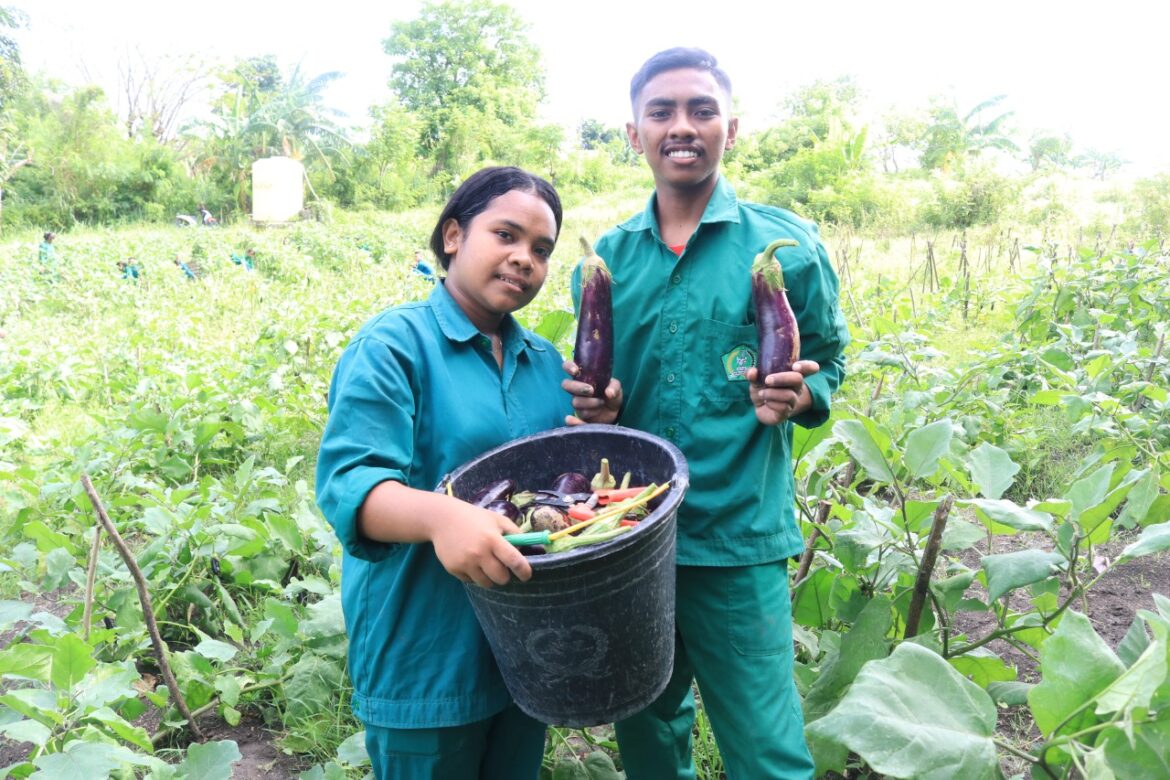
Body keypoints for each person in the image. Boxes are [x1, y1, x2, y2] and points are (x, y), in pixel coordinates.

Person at [562, 47, 849, 779]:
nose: (681, 126)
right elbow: (599, 393)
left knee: (767, 751)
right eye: (661, 112)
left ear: (732, 128)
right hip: (627, 544)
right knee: (649, 741)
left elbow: (832, 361)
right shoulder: (605, 265)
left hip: (736, 542)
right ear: (634, 134)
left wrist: (804, 394)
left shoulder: (784, 251)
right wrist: (600, 409)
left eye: (702, 110)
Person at [315, 166, 621, 780]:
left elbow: (563, 496)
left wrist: (601, 429)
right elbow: (351, 484)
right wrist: (442, 515)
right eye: (504, 234)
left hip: (524, 651)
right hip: (426, 651)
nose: (523, 259)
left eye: (540, 249)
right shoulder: (395, 345)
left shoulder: (544, 364)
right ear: (453, 235)